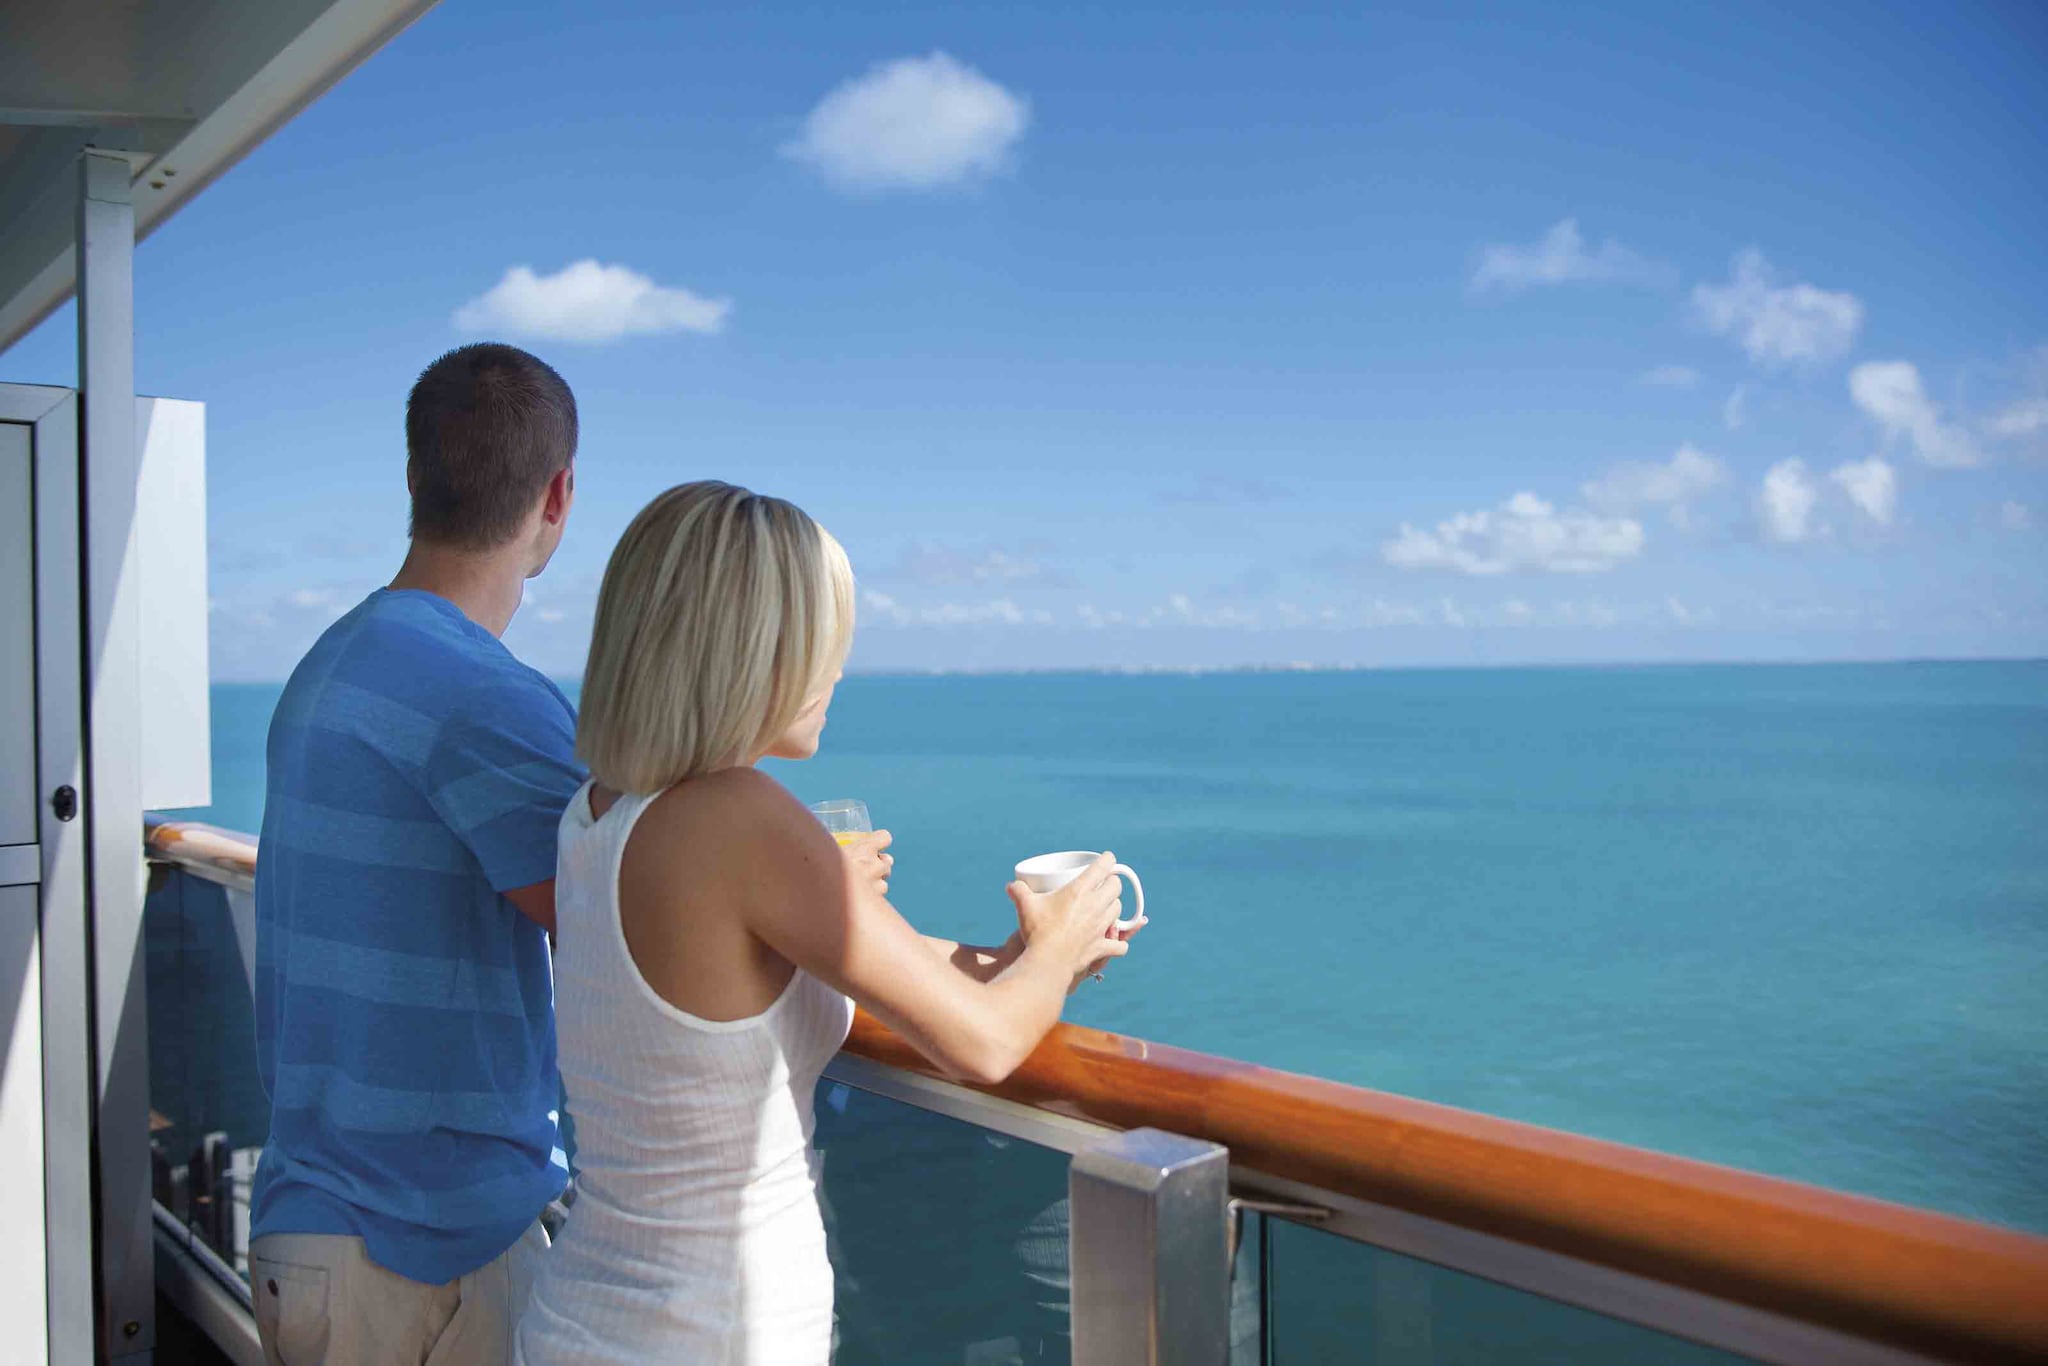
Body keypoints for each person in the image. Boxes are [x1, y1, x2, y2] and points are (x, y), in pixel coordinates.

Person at [517, 481, 1139, 1366]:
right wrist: (1066, 939)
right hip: (705, 1338)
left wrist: (1030, 958)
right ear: (753, 649)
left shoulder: (601, 812)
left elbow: (885, 969)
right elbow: (984, 1048)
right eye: (822, 641)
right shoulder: (736, 816)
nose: (837, 669)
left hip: (590, 1317)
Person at [248, 343, 585, 1366]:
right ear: (557, 495)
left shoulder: (335, 658)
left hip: (318, 1227)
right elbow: (632, 934)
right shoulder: (488, 698)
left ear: (412, 478)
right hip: (424, 1249)